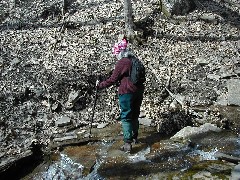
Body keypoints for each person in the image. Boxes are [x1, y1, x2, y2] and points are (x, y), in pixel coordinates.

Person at [96, 37, 144, 152]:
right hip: (139, 90)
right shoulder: (134, 60)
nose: (115, 55)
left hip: (127, 91)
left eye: (116, 53)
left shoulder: (122, 62)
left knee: (126, 116)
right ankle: (135, 137)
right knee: (135, 114)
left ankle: (127, 144)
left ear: (119, 52)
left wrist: (100, 85)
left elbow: (113, 79)